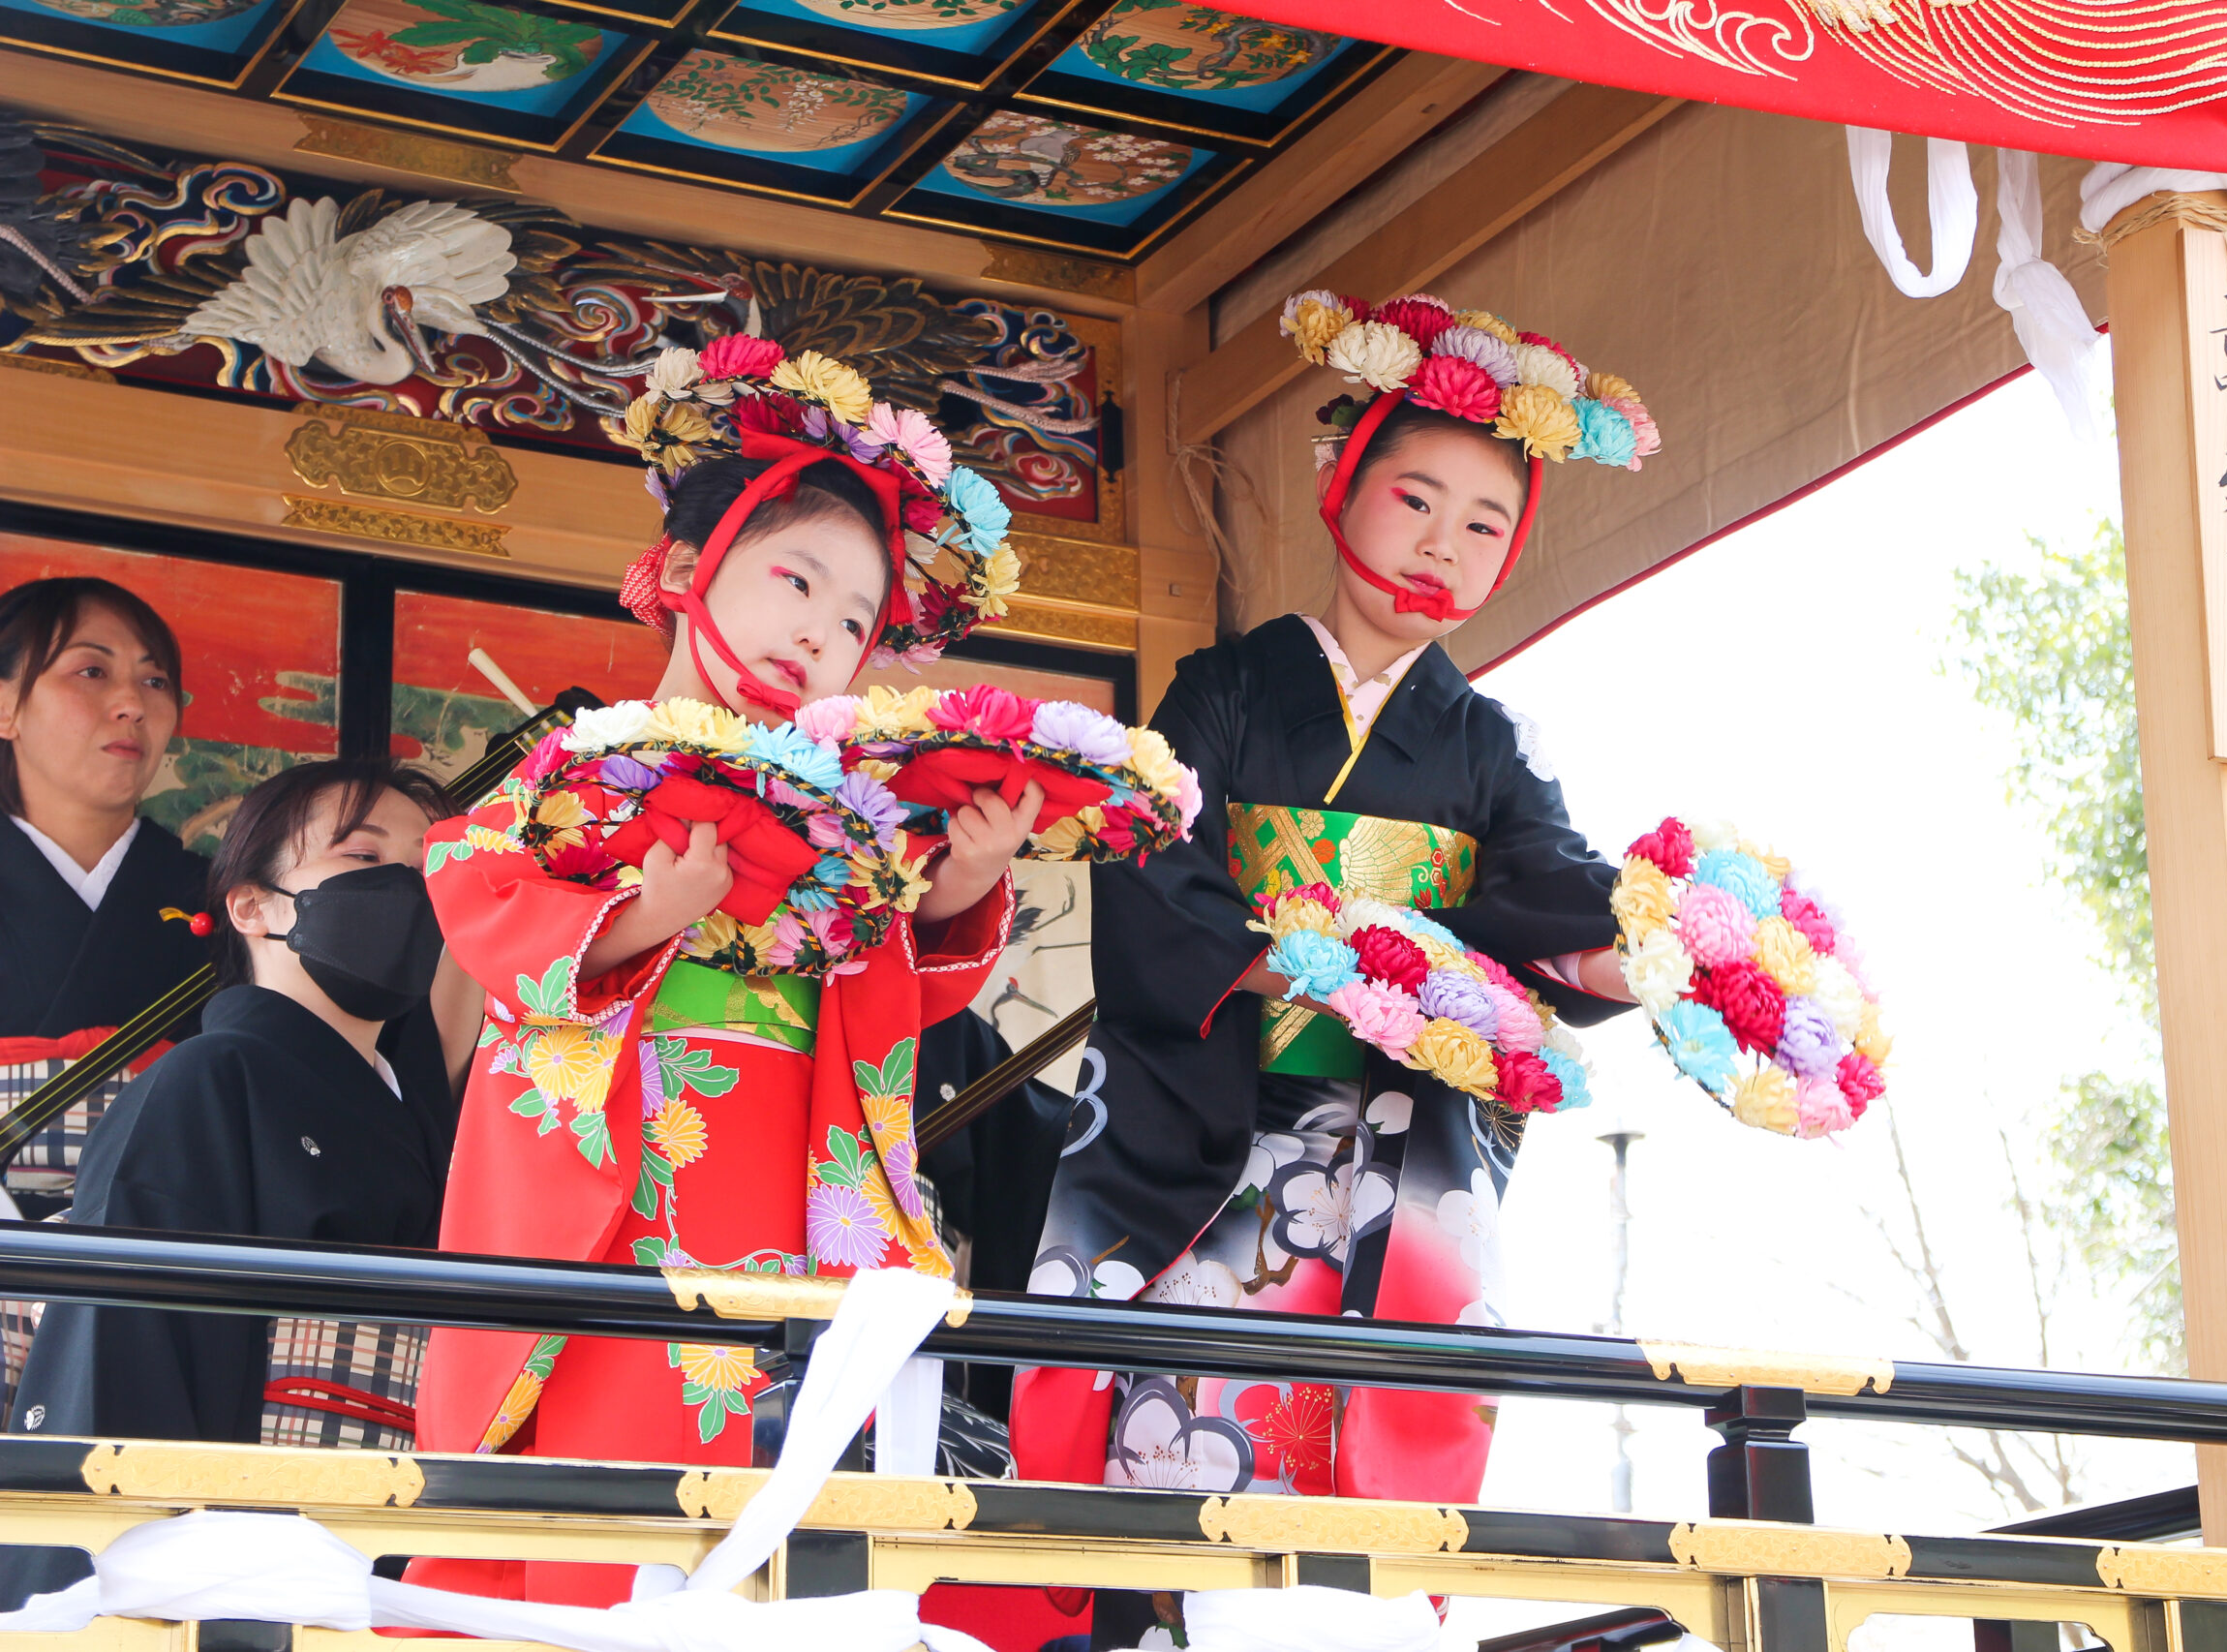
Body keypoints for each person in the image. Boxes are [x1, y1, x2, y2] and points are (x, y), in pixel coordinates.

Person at [1013, 294, 1659, 1574]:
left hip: (1394, 1141)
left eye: (1486, 524)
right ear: (1342, 484)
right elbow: (1153, 847)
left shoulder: (1487, 744)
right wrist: (1290, 960)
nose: (1444, 546)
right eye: (1415, 497)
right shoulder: (1230, 690)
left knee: (1373, 1470)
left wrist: (1632, 957)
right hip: (1217, 1119)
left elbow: (1556, 886)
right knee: (1189, 1440)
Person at [408, 335, 1029, 1608]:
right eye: (796, 581)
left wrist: (954, 892)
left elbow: (890, 991)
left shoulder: (848, 821)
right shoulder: (587, 769)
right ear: (689, 571)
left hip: (793, 1188)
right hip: (627, 1190)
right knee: (611, 1491)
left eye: (857, 619)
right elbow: (473, 876)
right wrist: (644, 916)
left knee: (783, 1500)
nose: (822, 633)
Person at [0, 758, 456, 1606]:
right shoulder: (209, 1079)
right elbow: (124, 1345)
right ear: (252, 906)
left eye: (432, 869)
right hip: (250, 1555)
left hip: (392, 1541)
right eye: (364, 860)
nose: (408, 888)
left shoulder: (408, 1108)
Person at [0, 578, 209, 1223]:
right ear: (4, 705)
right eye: (92, 670)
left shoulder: (234, 905)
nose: (132, 704)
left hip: (165, 1253)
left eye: (155, 682)